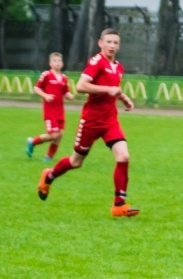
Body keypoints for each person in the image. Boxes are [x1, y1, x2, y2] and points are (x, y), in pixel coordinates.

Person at [37, 28, 139, 217]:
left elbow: (113, 88)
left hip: (110, 121)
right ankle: (48, 176)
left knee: (123, 156)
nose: (112, 46)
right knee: (76, 162)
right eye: (108, 42)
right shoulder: (96, 62)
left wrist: (124, 98)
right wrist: (107, 89)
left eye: (115, 42)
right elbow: (81, 86)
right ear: (100, 43)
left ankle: (119, 205)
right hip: (91, 121)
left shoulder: (118, 66)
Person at [26, 52, 74, 162]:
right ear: (50, 63)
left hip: (60, 111)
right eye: (55, 61)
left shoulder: (63, 78)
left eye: (59, 61)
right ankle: (32, 142)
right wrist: (45, 95)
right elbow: (36, 88)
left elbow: (65, 93)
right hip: (50, 110)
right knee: (53, 135)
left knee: (60, 135)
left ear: (62, 63)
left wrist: (70, 96)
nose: (57, 63)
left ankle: (49, 156)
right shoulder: (46, 75)